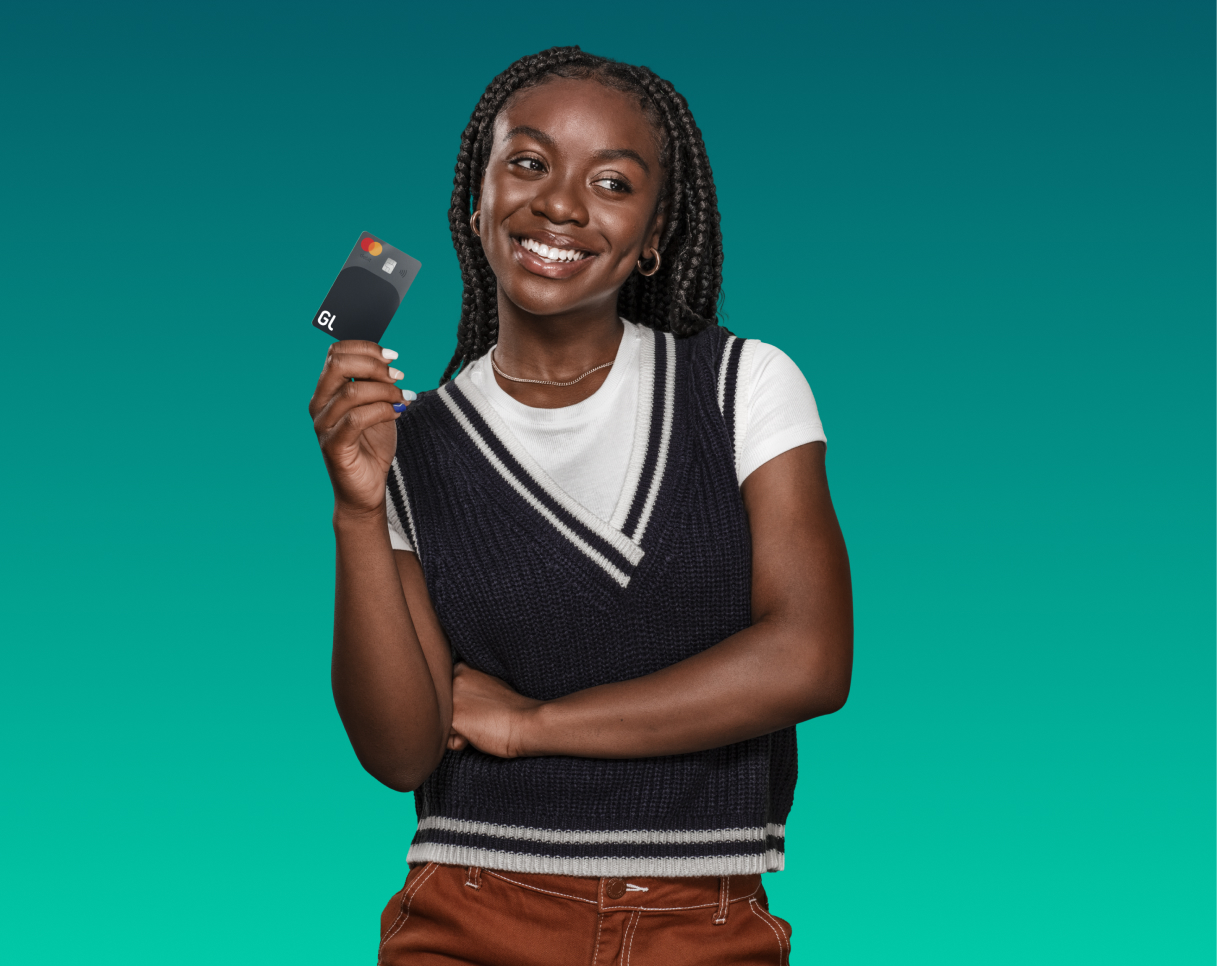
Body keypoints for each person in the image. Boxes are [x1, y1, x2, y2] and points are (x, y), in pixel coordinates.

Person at [308, 46, 852, 966]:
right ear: (475, 201)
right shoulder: (416, 440)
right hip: (469, 913)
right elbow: (401, 751)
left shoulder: (742, 387)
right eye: (527, 163)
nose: (560, 203)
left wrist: (530, 725)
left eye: (612, 181)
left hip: (702, 922)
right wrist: (358, 510)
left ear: (653, 234)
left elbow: (808, 659)